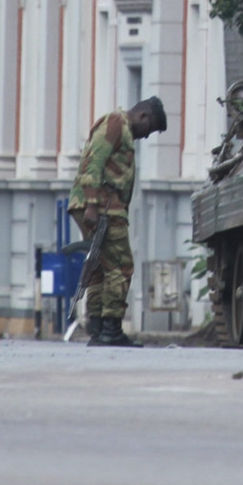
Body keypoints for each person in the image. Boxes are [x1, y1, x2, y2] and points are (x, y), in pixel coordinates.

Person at [70, 96, 168, 347]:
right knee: (120, 267)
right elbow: (94, 162)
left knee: (100, 269)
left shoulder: (120, 127)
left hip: (98, 206)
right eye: (150, 129)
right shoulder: (116, 123)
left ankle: (97, 327)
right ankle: (111, 329)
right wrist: (92, 203)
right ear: (143, 116)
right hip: (101, 209)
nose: (146, 137)